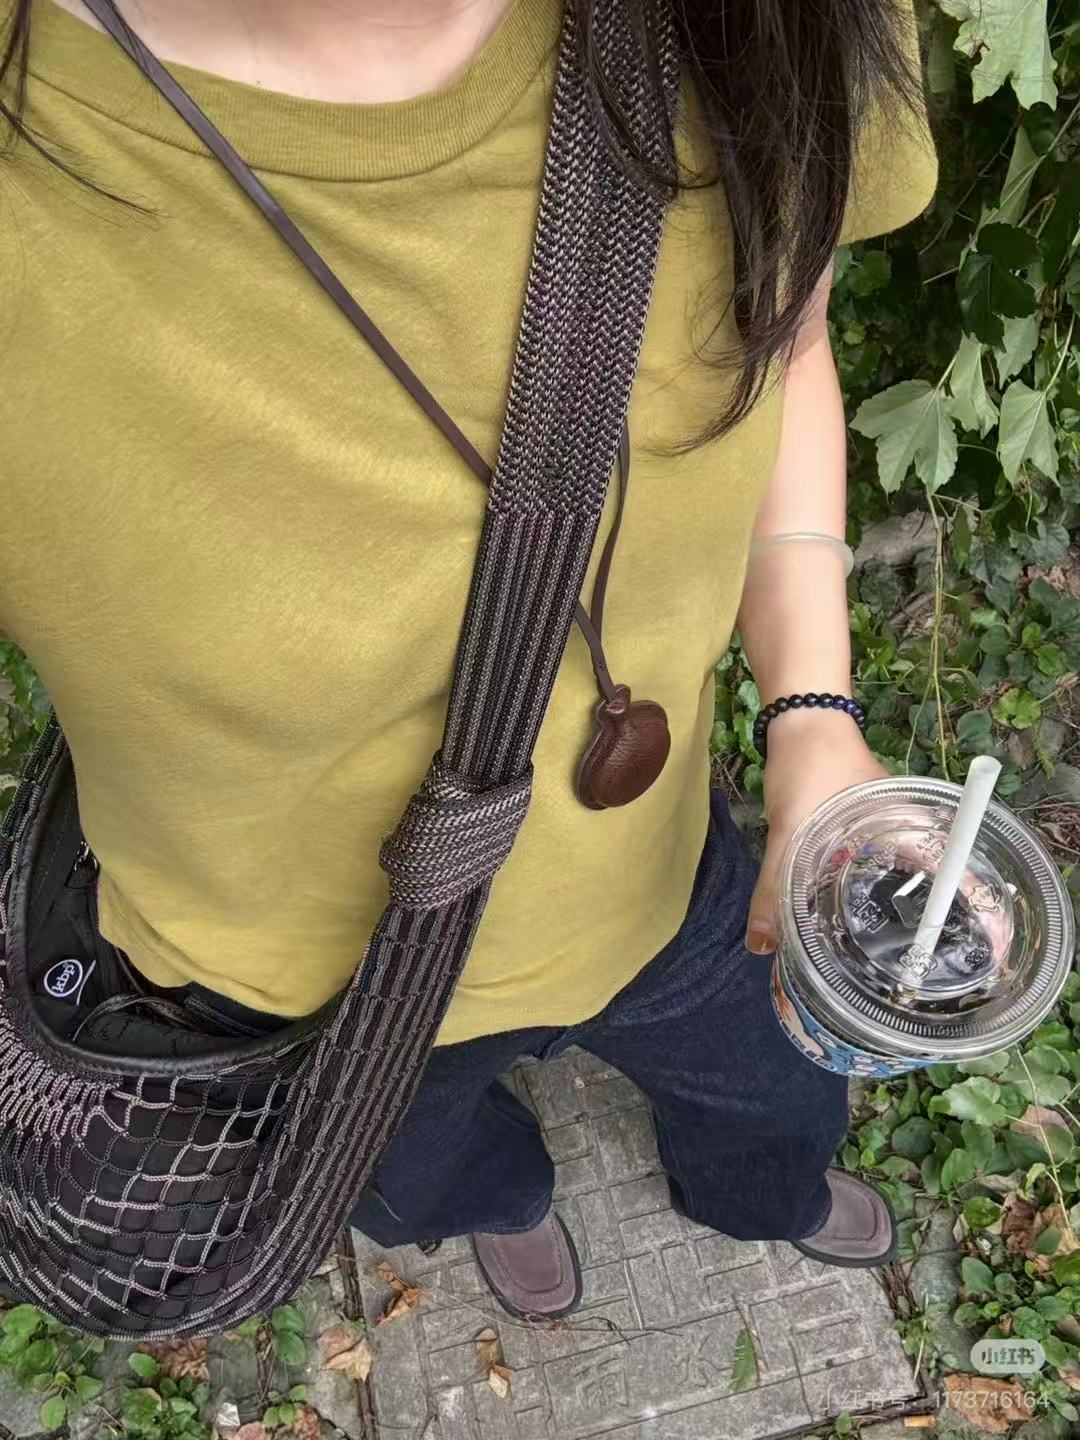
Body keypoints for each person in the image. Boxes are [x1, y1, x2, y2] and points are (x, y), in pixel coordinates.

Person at [0, 0, 937, 1321]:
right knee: (428, 1178)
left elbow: (789, 335)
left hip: (663, 878)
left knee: (777, 1098)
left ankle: (759, 1199)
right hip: (311, 996)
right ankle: (504, 1206)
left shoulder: (754, 23)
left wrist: (815, 713)